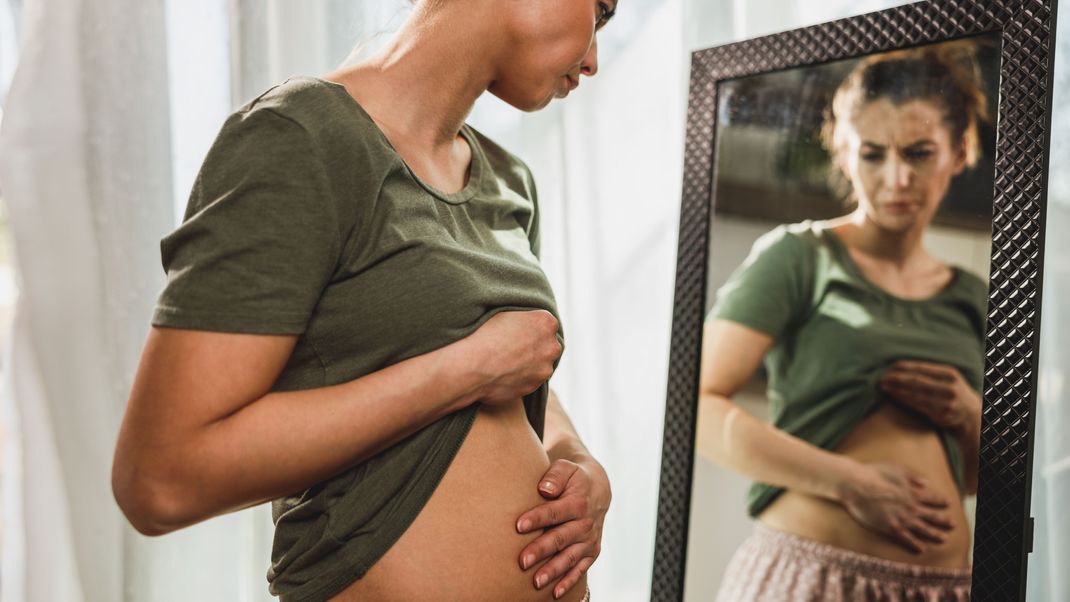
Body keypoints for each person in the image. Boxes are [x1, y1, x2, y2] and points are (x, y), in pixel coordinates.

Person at [110, 1, 617, 600]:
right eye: (600, 8)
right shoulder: (301, 139)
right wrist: (462, 370)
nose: (593, 60)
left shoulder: (509, 179)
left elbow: (514, 373)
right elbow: (160, 478)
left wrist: (575, 459)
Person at [701, 43, 990, 601]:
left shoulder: (975, 297)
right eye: (874, 154)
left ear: (959, 152)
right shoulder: (798, 256)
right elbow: (699, 407)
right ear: (843, 151)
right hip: (811, 580)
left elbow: (978, 481)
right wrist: (849, 482)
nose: (897, 178)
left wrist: (970, 415)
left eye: (920, 152)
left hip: (947, 590)